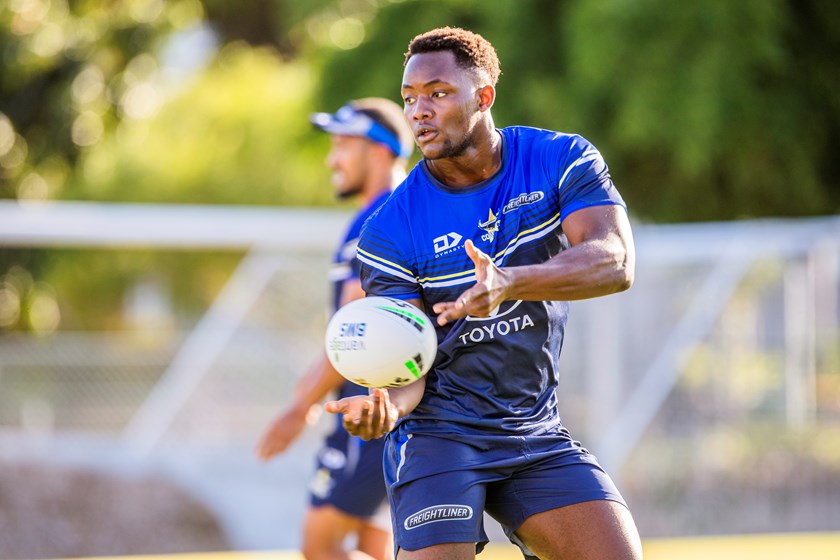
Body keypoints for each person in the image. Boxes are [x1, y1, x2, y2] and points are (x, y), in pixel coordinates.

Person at [325, 27, 643, 560]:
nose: (419, 110)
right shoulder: (388, 230)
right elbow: (410, 371)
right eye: (410, 98)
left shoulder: (557, 158)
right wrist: (387, 407)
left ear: (484, 96)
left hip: (533, 430)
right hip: (438, 437)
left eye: (438, 93)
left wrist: (510, 281)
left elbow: (615, 261)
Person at [256, 97, 414, 560]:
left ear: (381, 149)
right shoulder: (393, 213)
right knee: (372, 543)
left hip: (372, 413)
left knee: (320, 545)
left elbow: (353, 333)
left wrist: (298, 407)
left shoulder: (378, 221)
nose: (333, 158)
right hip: (384, 410)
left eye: (344, 143)